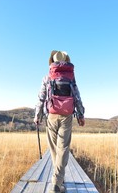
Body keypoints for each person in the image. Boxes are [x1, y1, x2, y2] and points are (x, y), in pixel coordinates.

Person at [34, 50, 85, 193]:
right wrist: (81, 115)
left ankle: (56, 182)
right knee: (63, 149)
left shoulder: (47, 77)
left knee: (54, 149)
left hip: (52, 115)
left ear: (53, 62)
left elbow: (41, 98)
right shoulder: (70, 77)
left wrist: (37, 115)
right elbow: (77, 97)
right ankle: (58, 182)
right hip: (67, 116)